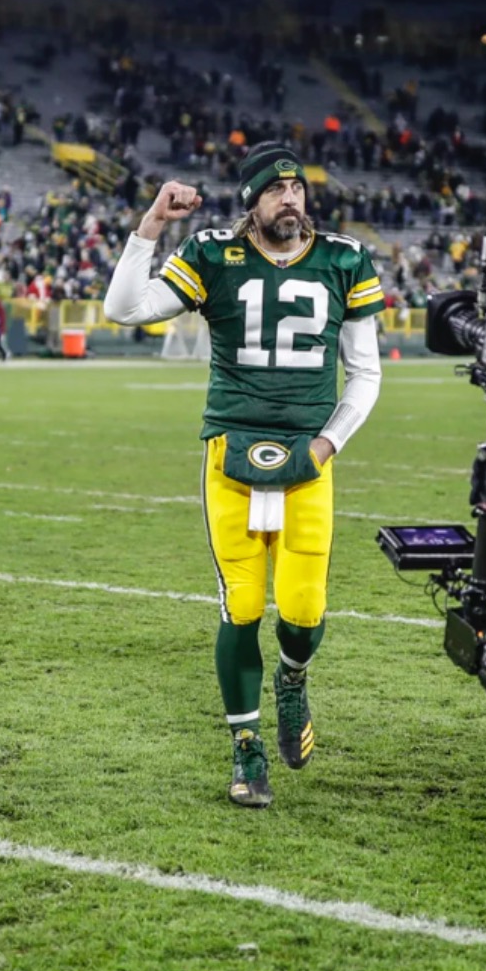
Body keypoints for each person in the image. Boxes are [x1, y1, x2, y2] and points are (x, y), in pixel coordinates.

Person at [105, 142, 384, 808]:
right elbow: (125, 309)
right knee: (244, 603)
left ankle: (291, 679)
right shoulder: (213, 254)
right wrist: (151, 225)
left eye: (298, 187)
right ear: (252, 202)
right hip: (231, 448)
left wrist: (326, 444)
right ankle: (245, 745)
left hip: (307, 455)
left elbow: (366, 372)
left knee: (304, 609)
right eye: (275, 189)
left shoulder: (343, 259)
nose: (291, 197)